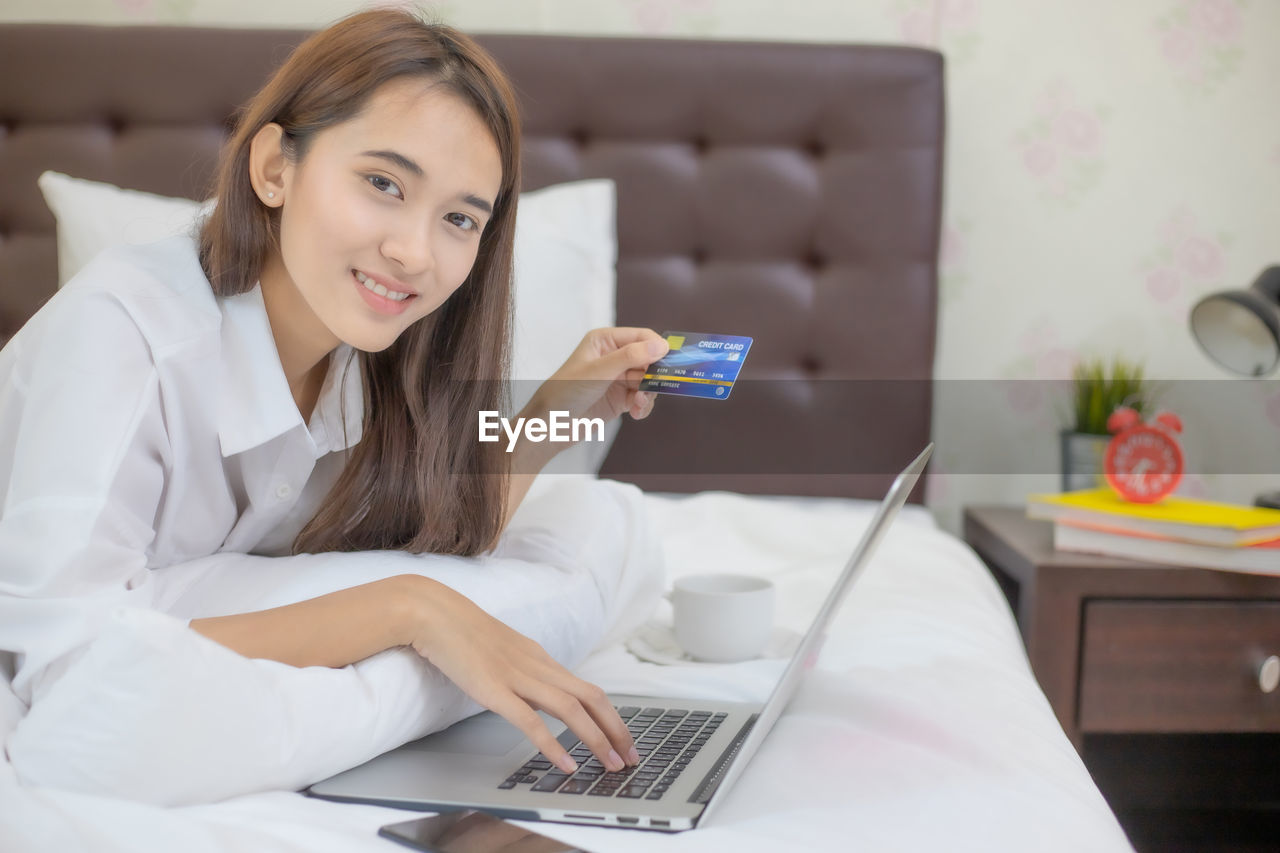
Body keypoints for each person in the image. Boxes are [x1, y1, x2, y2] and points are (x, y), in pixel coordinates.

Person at [0, 9, 669, 779]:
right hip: (66, 668)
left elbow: (452, 523)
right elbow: (69, 671)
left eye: (458, 218)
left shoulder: (370, 346)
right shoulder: (122, 334)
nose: (414, 252)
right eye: (383, 183)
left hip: (172, 628)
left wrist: (557, 406)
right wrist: (408, 610)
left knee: (599, 521)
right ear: (274, 169)